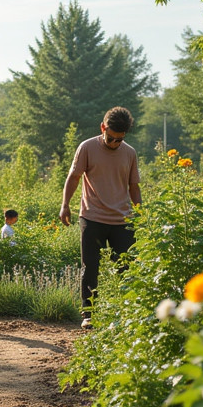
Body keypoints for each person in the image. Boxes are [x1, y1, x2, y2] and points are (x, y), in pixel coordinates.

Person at [60, 107, 141, 330]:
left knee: (126, 268)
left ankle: (128, 313)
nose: (115, 143)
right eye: (111, 137)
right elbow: (74, 177)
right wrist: (65, 205)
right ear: (102, 128)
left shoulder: (130, 153)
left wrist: (140, 213)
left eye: (119, 139)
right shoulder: (87, 147)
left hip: (122, 220)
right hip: (92, 216)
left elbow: (133, 187)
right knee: (90, 267)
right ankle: (89, 314)